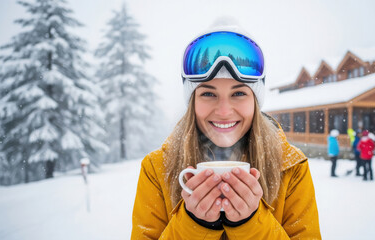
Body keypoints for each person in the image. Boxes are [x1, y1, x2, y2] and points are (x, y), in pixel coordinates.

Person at [131, 29, 321, 239]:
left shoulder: (290, 167)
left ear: (255, 102)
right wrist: (194, 225)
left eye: (238, 93)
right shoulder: (157, 169)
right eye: (208, 93)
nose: (223, 112)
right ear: (193, 101)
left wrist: (251, 224)